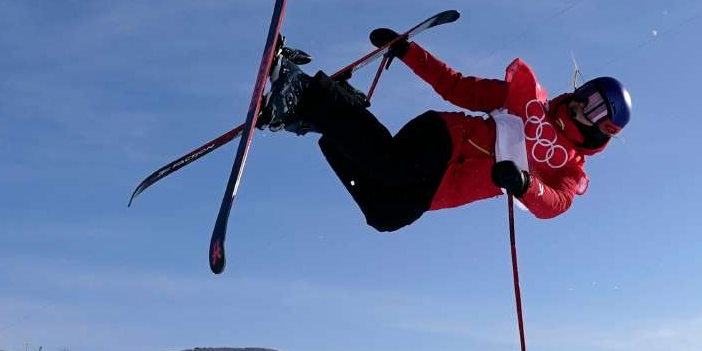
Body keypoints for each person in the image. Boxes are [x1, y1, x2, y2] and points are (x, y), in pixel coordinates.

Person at [257, 28, 631, 231]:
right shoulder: (526, 98)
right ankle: (306, 92)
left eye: (596, 106)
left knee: (385, 214)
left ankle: (330, 113)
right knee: (391, 166)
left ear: (605, 127)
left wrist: (524, 184)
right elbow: (457, 86)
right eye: (587, 92)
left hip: (442, 187)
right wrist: (408, 52)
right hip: (443, 139)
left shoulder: (569, 169)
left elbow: (555, 204)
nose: (583, 102)